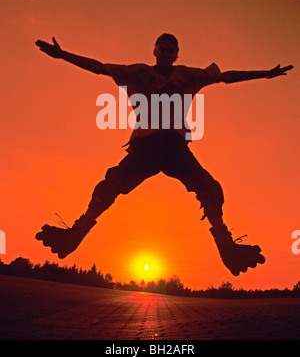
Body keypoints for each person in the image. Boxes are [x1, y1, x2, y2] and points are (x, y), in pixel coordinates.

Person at [35, 34, 293, 276]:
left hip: (174, 146)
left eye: (171, 50)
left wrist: (265, 74)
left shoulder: (188, 76)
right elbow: (99, 66)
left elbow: (226, 77)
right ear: (155, 51)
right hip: (145, 147)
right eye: (162, 49)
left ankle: (227, 246)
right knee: (112, 182)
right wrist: (64, 55)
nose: (166, 53)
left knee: (210, 188)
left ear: (176, 55)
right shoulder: (137, 73)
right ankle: (76, 233)